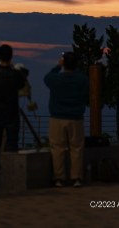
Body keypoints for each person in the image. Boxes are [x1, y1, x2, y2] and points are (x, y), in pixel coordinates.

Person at [44, 52, 89, 187]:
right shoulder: (82, 79)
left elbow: (47, 78)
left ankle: (59, 178)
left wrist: (58, 66)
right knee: (76, 148)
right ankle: (76, 178)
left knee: (57, 148)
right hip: (76, 118)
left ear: (63, 63)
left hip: (57, 118)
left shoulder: (55, 79)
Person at [0, 44, 25, 175]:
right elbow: (21, 85)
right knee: (12, 142)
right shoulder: (16, 75)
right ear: (11, 56)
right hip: (12, 112)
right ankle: (11, 172)